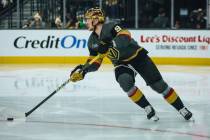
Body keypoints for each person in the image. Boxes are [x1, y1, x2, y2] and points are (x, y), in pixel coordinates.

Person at [70, 7, 193, 121]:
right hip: (121, 63)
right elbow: (95, 61)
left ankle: (181, 108)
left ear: (96, 19)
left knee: (159, 86)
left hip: (137, 56)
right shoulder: (92, 41)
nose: (85, 22)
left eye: (88, 19)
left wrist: (110, 44)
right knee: (124, 81)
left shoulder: (112, 26)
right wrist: (84, 70)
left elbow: (125, 35)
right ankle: (147, 107)